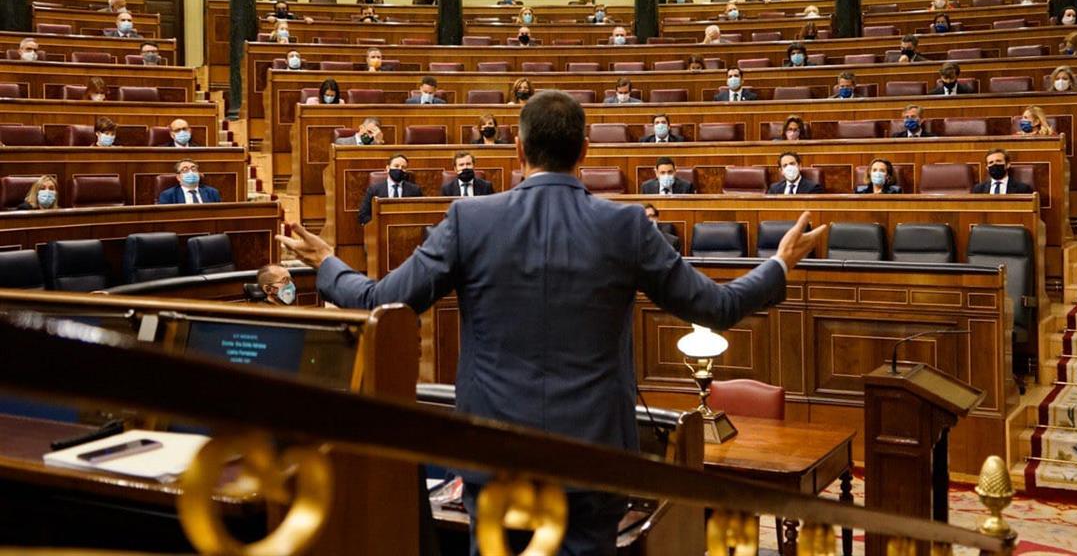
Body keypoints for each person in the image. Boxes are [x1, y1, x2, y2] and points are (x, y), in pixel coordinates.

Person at [275, 91, 826, 554]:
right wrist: (778, 264)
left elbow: (381, 304)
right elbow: (717, 307)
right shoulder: (626, 225)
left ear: (517, 149)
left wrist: (328, 264)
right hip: (594, 456)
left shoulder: (470, 219)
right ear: (585, 150)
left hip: (494, 453)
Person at [358, 153, 423, 223]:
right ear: (388, 168)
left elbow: (421, 214)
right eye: (396, 166)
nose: (400, 169)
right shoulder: (374, 190)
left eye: (403, 167)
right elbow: (363, 215)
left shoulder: (415, 190)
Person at [157, 159, 222, 204]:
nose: (191, 172)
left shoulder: (212, 193)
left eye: (194, 169)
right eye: (185, 170)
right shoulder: (168, 195)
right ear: (178, 177)